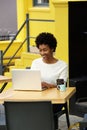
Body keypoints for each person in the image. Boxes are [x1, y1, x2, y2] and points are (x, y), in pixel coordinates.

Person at [31, 32, 68, 130]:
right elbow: (31, 81)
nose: (42, 53)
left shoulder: (62, 66)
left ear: (52, 49)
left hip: (54, 101)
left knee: (40, 108)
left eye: (45, 50)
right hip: (37, 98)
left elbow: (61, 87)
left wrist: (48, 85)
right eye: (40, 50)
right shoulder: (35, 63)